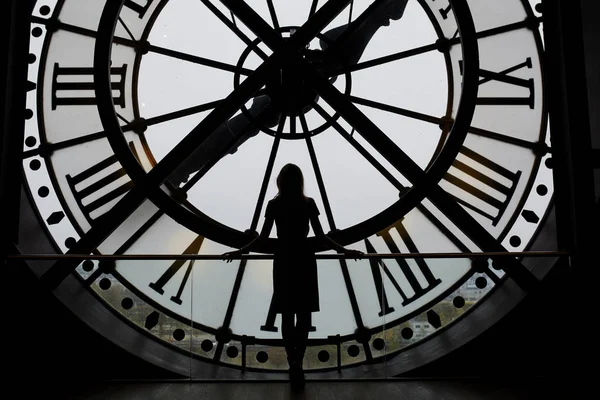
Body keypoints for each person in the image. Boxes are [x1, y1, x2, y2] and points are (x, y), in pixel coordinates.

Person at [223, 164, 362, 390]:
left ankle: (293, 362)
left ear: (279, 181)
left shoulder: (274, 205)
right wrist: (344, 250)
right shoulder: (308, 204)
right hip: (305, 259)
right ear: (299, 181)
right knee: (304, 316)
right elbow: (320, 236)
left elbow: (263, 237)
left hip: (284, 259)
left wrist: (240, 251)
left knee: (286, 315)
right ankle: (298, 361)